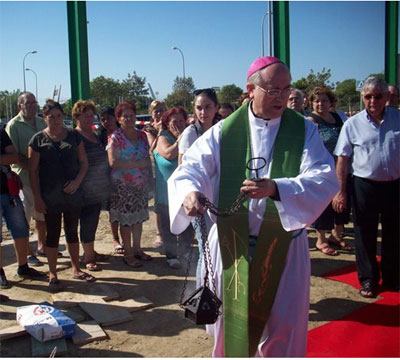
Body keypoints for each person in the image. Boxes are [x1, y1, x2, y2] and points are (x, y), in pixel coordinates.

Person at [168, 56, 338, 357]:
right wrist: (190, 192)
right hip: (232, 245)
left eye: (286, 89)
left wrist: (277, 188)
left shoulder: (303, 130)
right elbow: (191, 166)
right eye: (273, 89)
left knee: (283, 328)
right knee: (229, 328)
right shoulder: (225, 131)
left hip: (284, 247)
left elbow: (324, 177)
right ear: (251, 89)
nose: (282, 97)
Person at [333, 77, 399, 298]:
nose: (372, 100)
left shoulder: (398, 119)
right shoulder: (352, 124)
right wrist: (340, 191)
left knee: (394, 234)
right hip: (364, 185)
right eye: (368, 96)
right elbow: (342, 159)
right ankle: (369, 280)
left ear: (387, 97)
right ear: (363, 97)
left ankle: (391, 277)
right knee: (364, 234)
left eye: (378, 96)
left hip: (395, 186)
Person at [28, 100, 94, 292]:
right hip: (50, 197)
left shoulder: (74, 136)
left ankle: (76, 268)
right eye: (51, 116)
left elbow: (84, 163)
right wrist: (38, 198)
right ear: (44, 117)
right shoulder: (38, 140)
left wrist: (77, 182)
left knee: (72, 231)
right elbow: (33, 172)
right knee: (52, 235)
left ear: (63, 116)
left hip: (73, 194)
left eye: (58, 116)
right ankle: (53, 274)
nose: (55, 120)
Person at [178, 88, 220, 286]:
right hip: (200, 199)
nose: (203, 112)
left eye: (208, 107)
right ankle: (201, 295)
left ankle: (217, 292)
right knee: (206, 249)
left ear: (216, 107)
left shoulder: (222, 130)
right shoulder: (190, 134)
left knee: (218, 248)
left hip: (219, 197)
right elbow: (182, 169)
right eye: (199, 108)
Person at [107, 101, 153, 268]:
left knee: (139, 219)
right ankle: (128, 253)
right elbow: (113, 162)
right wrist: (137, 165)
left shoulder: (142, 136)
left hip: (141, 186)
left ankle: (137, 249)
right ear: (118, 119)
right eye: (124, 116)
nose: (128, 118)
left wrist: (150, 178)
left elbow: (147, 159)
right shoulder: (116, 137)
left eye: (131, 115)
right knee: (126, 222)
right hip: (123, 187)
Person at [308, 87, 351, 255]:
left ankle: (337, 235)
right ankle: (321, 240)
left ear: (330, 102)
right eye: (316, 100)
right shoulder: (310, 121)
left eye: (324, 100)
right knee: (325, 206)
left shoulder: (338, 117)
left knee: (343, 205)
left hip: (344, 168)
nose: (320, 104)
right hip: (324, 170)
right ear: (311, 103)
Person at [0, 128, 45, 292]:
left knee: (21, 229)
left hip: (8, 190)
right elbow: (9, 156)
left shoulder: (0, 131)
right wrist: (4, 158)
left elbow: (14, 157)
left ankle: (23, 266)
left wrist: (7, 158)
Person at [6, 92, 47, 266]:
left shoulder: (40, 121)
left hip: (41, 178)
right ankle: (28, 253)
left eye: (34, 102)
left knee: (41, 215)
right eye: (28, 103)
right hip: (23, 179)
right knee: (24, 219)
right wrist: (31, 166)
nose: (32, 106)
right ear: (20, 106)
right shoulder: (13, 125)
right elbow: (13, 154)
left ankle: (42, 246)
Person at [153, 107, 193, 269]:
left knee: (187, 226)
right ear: (167, 124)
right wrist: (181, 138)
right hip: (166, 192)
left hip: (185, 191)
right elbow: (169, 154)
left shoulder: (190, 136)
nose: (178, 124)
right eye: (174, 121)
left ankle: (185, 252)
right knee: (168, 226)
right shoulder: (163, 137)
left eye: (182, 121)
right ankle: (171, 256)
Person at [73, 100, 110, 271]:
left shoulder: (95, 135)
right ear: (76, 117)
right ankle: (88, 258)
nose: (89, 119)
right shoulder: (74, 136)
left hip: (96, 189)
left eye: (91, 116)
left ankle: (90, 251)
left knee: (93, 222)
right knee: (86, 223)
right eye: (85, 116)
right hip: (82, 190)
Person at [96, 106, 124, 255]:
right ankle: (115, 239)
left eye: (109, 117)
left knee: (127, 210)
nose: (107, 121)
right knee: (113, 210)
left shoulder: (124, 133)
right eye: (103, 119)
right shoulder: (98, 137)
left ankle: (129, 241)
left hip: (126, 177)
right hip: (107, 178)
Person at [144, 100, 167, 249]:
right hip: (154, 168)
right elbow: (152, 148)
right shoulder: (148, 128)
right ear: (151, 113)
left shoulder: (169, 125)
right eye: (155, 111)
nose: (158, 113)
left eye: (161, 110)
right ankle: (159, 234)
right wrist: (159, 131)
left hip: (169, 168)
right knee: (158, 203)